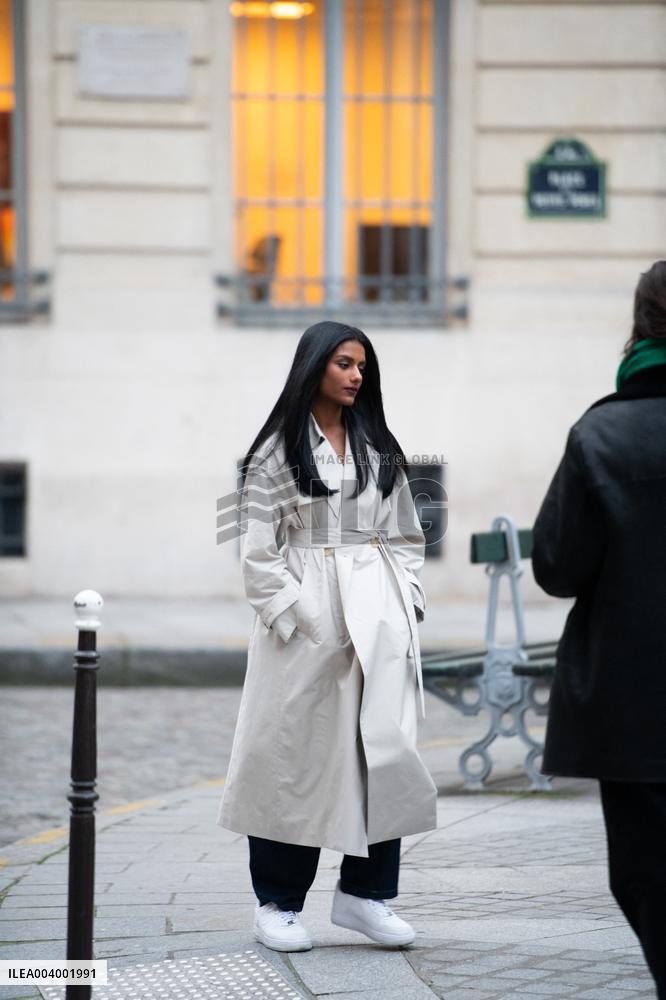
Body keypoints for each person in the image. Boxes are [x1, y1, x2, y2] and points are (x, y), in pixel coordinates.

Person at [217, 320, 438, 953]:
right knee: (292, 757)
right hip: (310, 619)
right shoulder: (274, 455)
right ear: (313, 366)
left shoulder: (378, 446)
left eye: (362, 365)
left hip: (379, 614)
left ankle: (366, 895)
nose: (355, 375)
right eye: (343, 362)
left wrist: (409, 598)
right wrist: (296, 618)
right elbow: (258, 557)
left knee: (383, 751)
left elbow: (405, 534)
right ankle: (278, 904)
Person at [531, 260, 666, 998]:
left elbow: (555, 566)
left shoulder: (603, 434)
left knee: (647, 877)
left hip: (635, 709)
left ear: (641, 324)